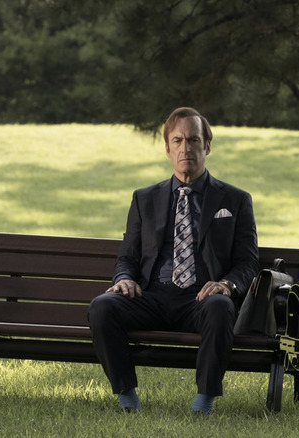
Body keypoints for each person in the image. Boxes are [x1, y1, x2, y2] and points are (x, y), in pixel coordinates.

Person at [88, 107, 259, 414]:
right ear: (167, 148)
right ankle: (127, 397)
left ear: (206, 146)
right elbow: (128, 256)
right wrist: (124, 279)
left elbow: (248, 262)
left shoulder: (234, 200)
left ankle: (204, 401)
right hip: (152, 296)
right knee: (102, 306)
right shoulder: (144, 198)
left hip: (200, 299)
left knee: (221, 307)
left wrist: (226, 284)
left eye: (193, 140)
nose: (185, 148)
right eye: (177, 140)